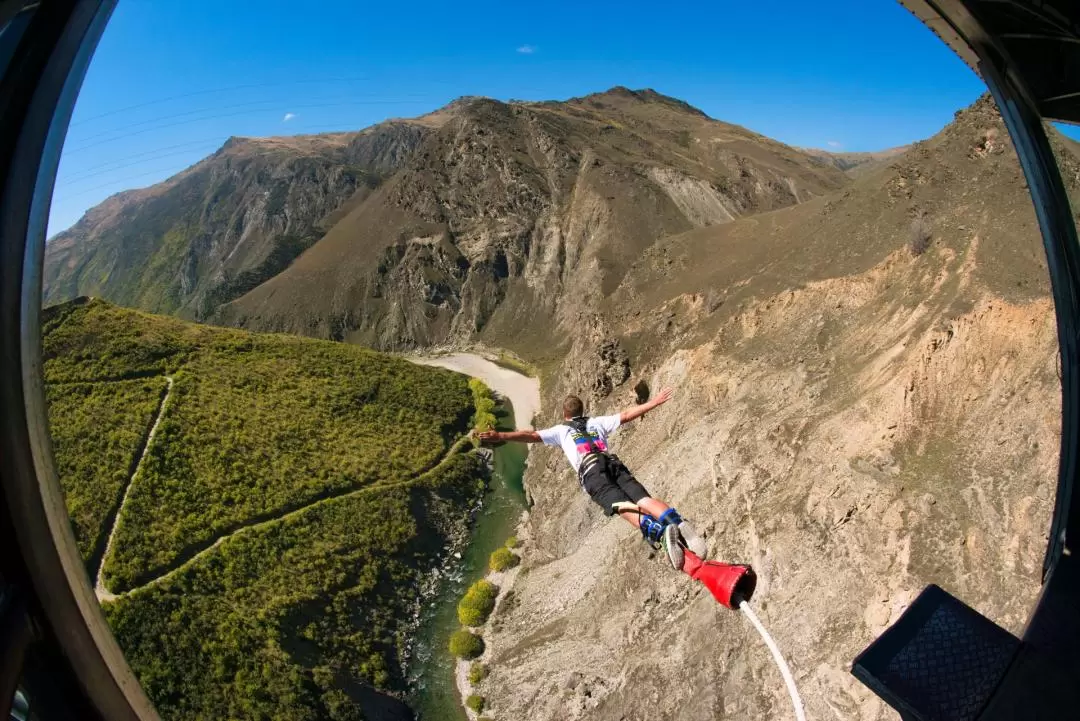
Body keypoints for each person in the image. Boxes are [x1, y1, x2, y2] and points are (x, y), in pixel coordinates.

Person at [476, 388, 706, 569]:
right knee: (643, 499)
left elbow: (531, 435)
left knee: (620, 505)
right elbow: (626, 415)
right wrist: (654, 402)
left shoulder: (560, 430)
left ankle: (660, 534)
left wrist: (500, 435)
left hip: (591, 471)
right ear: (582, 410)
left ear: (564, 414)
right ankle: (679, 523)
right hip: (612, 461)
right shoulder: (596, 422)